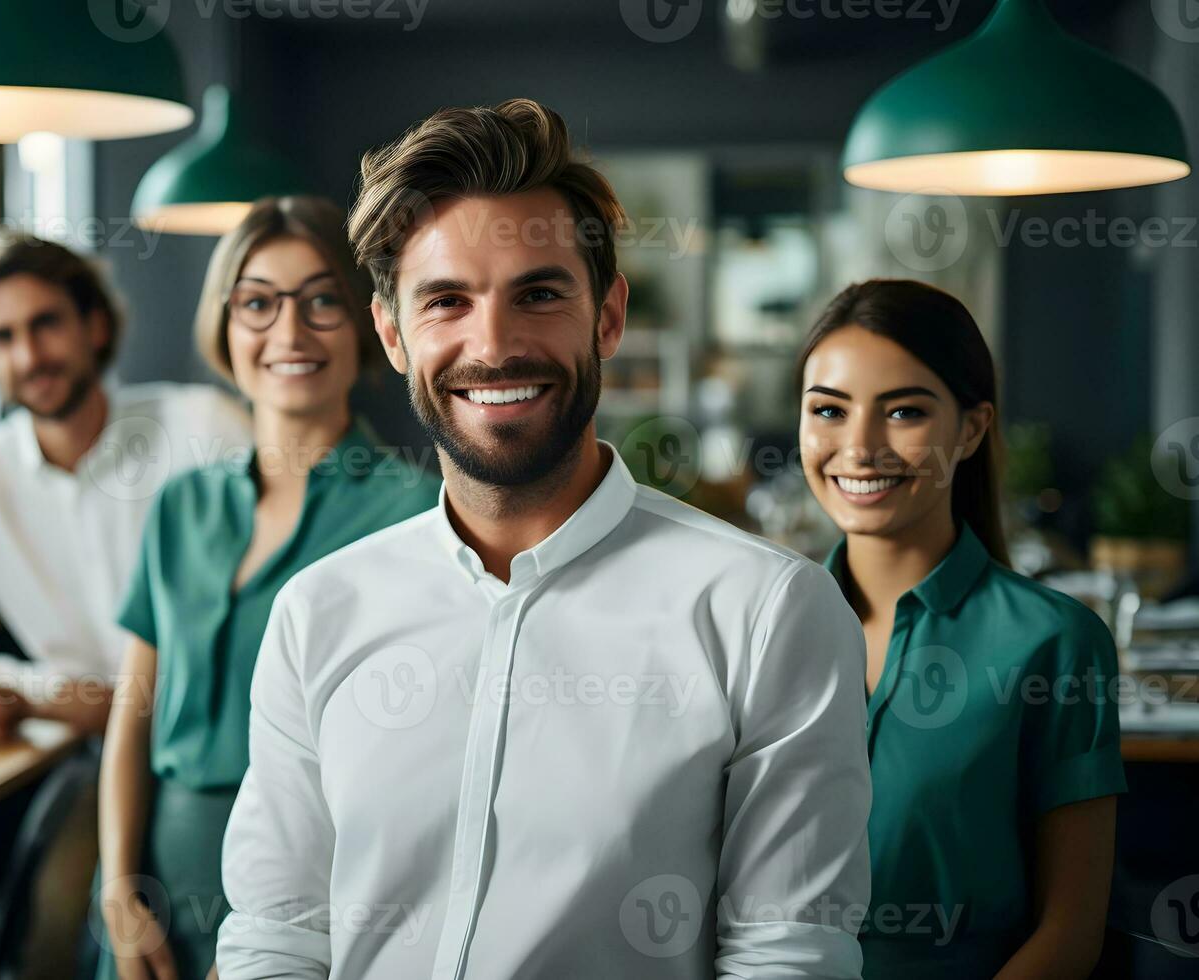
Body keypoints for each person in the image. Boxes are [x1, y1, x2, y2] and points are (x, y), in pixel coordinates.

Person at [216, 99, 871, 979]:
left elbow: (789, 958)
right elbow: (278, 934)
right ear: (393, 335)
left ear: (606, 317)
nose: (494, 344)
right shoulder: (317, 612)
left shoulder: (766, 612)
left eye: (539, 293)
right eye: (446, 300)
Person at [96, 196, 440, 980]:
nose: (288, 332)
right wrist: (118, 889)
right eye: (257, 302)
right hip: (143, 898)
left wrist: (275, 947)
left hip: (317, 905)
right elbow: (133, 712)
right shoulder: (180, 505)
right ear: (225, 326)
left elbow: (406, 776)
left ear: (368, 325)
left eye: (322, 300)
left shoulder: (416, 516)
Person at [797, 279, 1126, 978]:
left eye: (905, 412)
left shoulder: (1056, 644)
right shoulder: (753, 625)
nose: (859, 448)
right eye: (829, 409)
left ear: (971, 428)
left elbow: (1070, 934)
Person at [0, 233, 249, 740]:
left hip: (221, 732)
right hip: (82, 752)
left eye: (45, 324)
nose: (28, 357)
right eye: (2, 338)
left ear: (94, 326)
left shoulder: (202, 427)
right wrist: (47, 692)